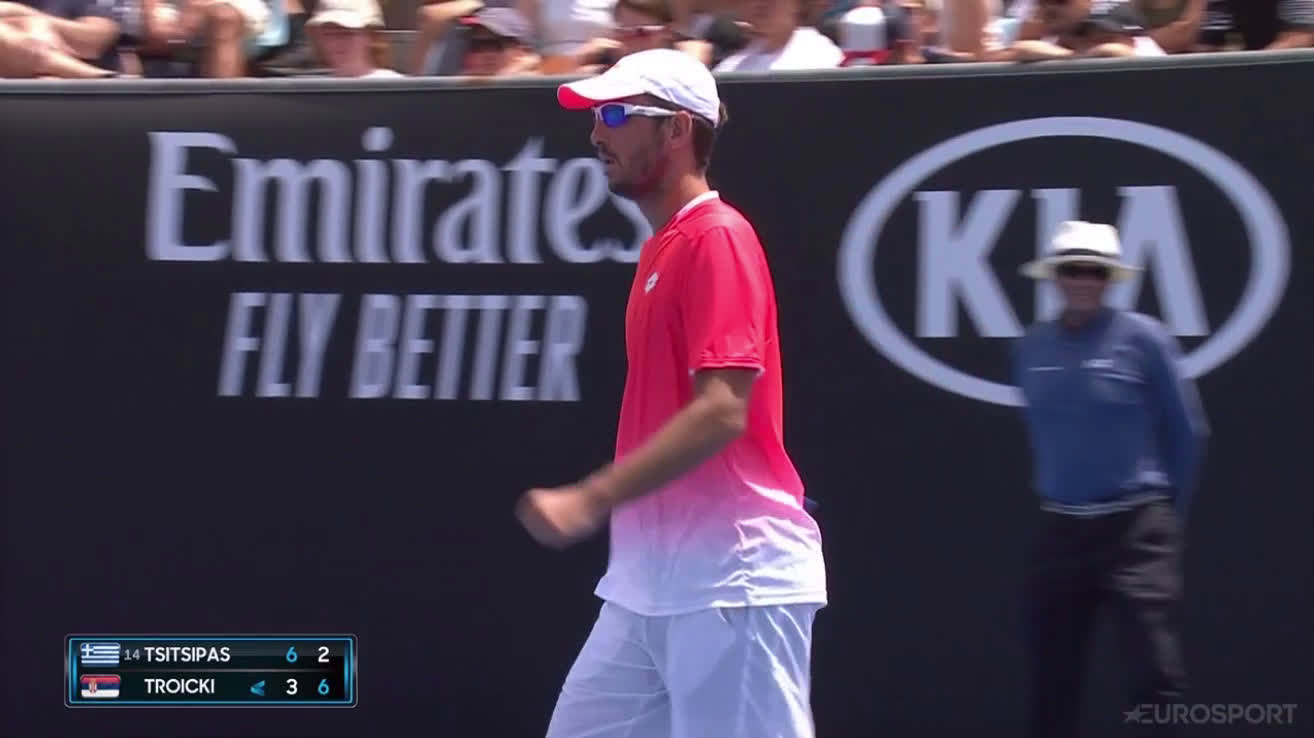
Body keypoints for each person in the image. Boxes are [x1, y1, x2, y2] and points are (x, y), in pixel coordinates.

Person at [515, 47, 827, 738]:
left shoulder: (719, 238)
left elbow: (722, 409)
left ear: (679, 129)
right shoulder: (664, 247)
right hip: (646, 587)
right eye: (597, 115)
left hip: (732, 583)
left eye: (616, 114)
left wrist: (590, 497)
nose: (597, 133)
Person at [1011, 220, 1209, 738]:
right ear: (1055, 276)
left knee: (1154, 673)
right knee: (1051, 676)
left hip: (1138, 528)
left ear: (1109, 279)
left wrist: (1166, 517)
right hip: (1062, 530)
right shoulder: (1031, 346)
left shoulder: (1146, 340)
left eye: (1095, 271)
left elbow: (1186, 432)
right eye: (1072, 269)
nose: (1083, 280)